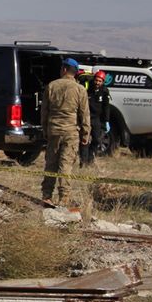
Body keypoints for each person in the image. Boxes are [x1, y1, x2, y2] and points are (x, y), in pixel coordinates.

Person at [41, 58, 90, 205]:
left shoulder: (51, 86)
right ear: (75, 73)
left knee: (51, 163)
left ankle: (46, 195)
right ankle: (63, 198)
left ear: (63, 69)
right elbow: (84, 114)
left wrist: (45, 130)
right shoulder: (80, 89)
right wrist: (86, 134)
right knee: (66, 165)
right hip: (70, 132)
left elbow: (44, 112)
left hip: (54, 129)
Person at [81, 70, 110, 165]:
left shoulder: (104, 91)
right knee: (84, 139)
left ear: (103, 82)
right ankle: (83, 161)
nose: (97, 83)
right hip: (87, 118)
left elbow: (106, 106)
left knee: (97, 140)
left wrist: (106, 121)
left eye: (100, 81)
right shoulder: (87, 88)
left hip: (96, 118)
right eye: (96, 80)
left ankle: (91, 159)